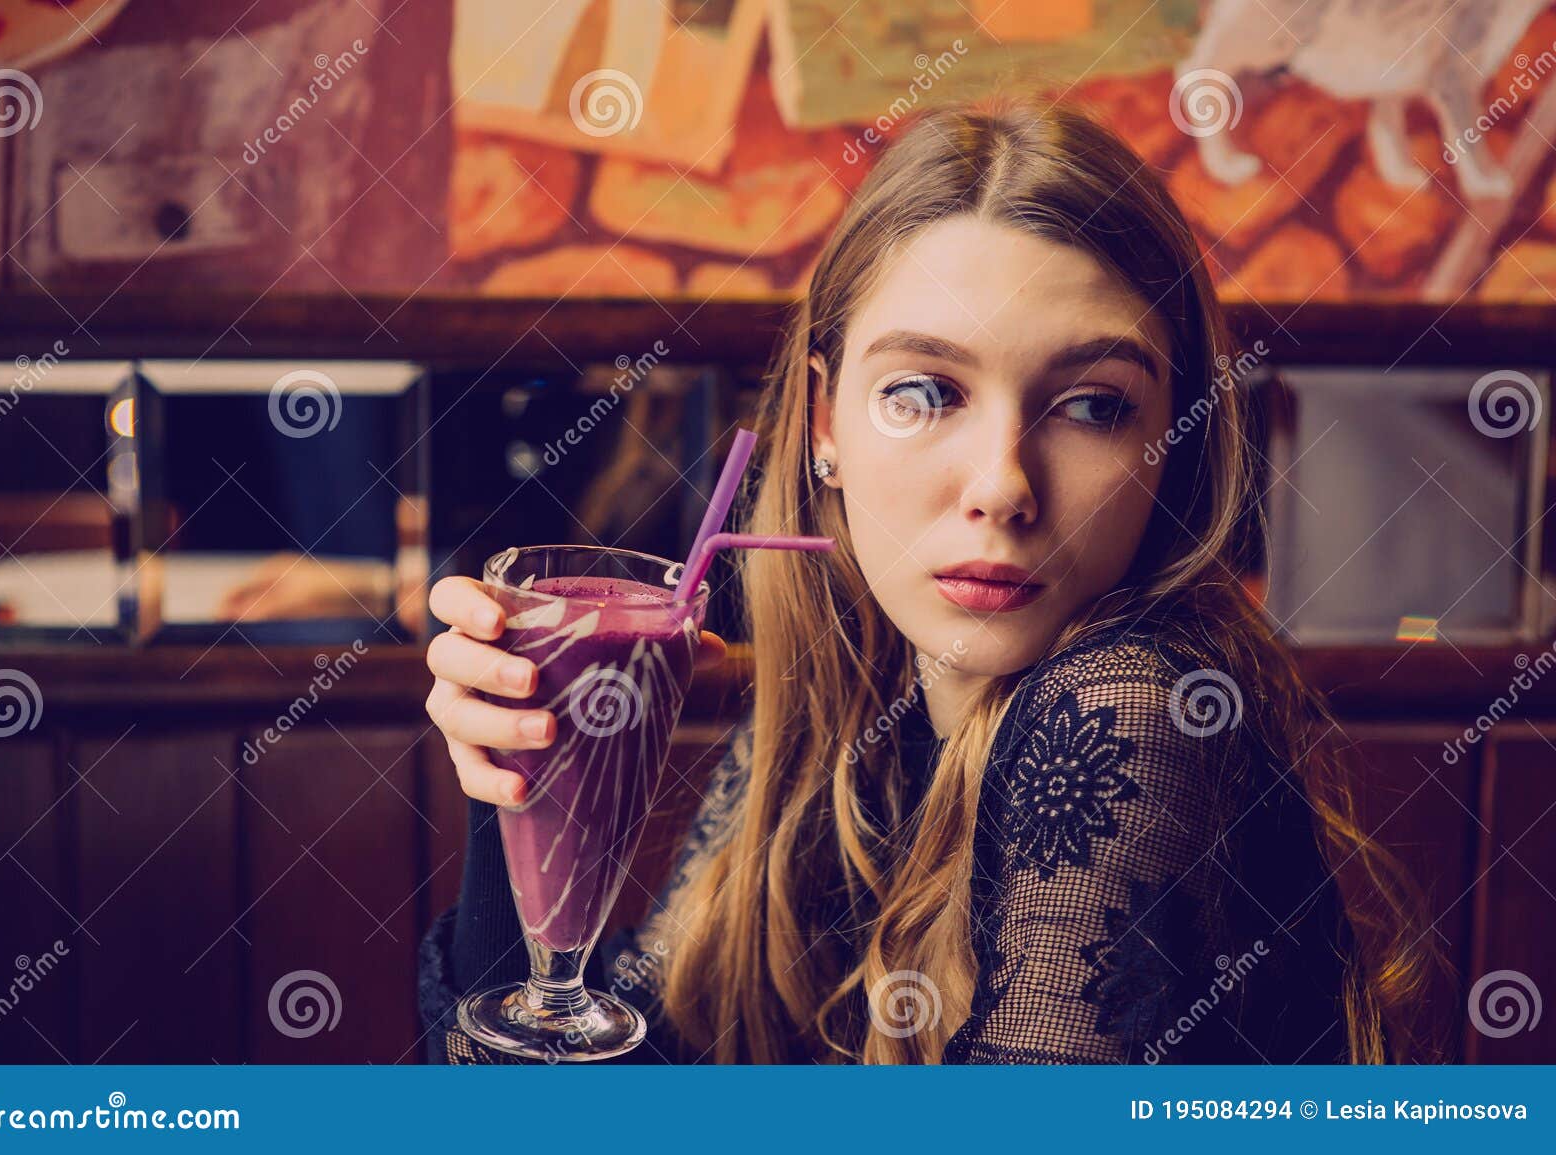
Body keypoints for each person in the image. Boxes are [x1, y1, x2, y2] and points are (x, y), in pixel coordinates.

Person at [417, 98, 1450, 1065]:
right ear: (825, 423)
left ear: (1170, 447)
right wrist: (516, 777)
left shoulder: (1133, 704)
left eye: (1093, 406)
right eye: (924, 391)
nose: (1002, 485)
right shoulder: (853, 694)